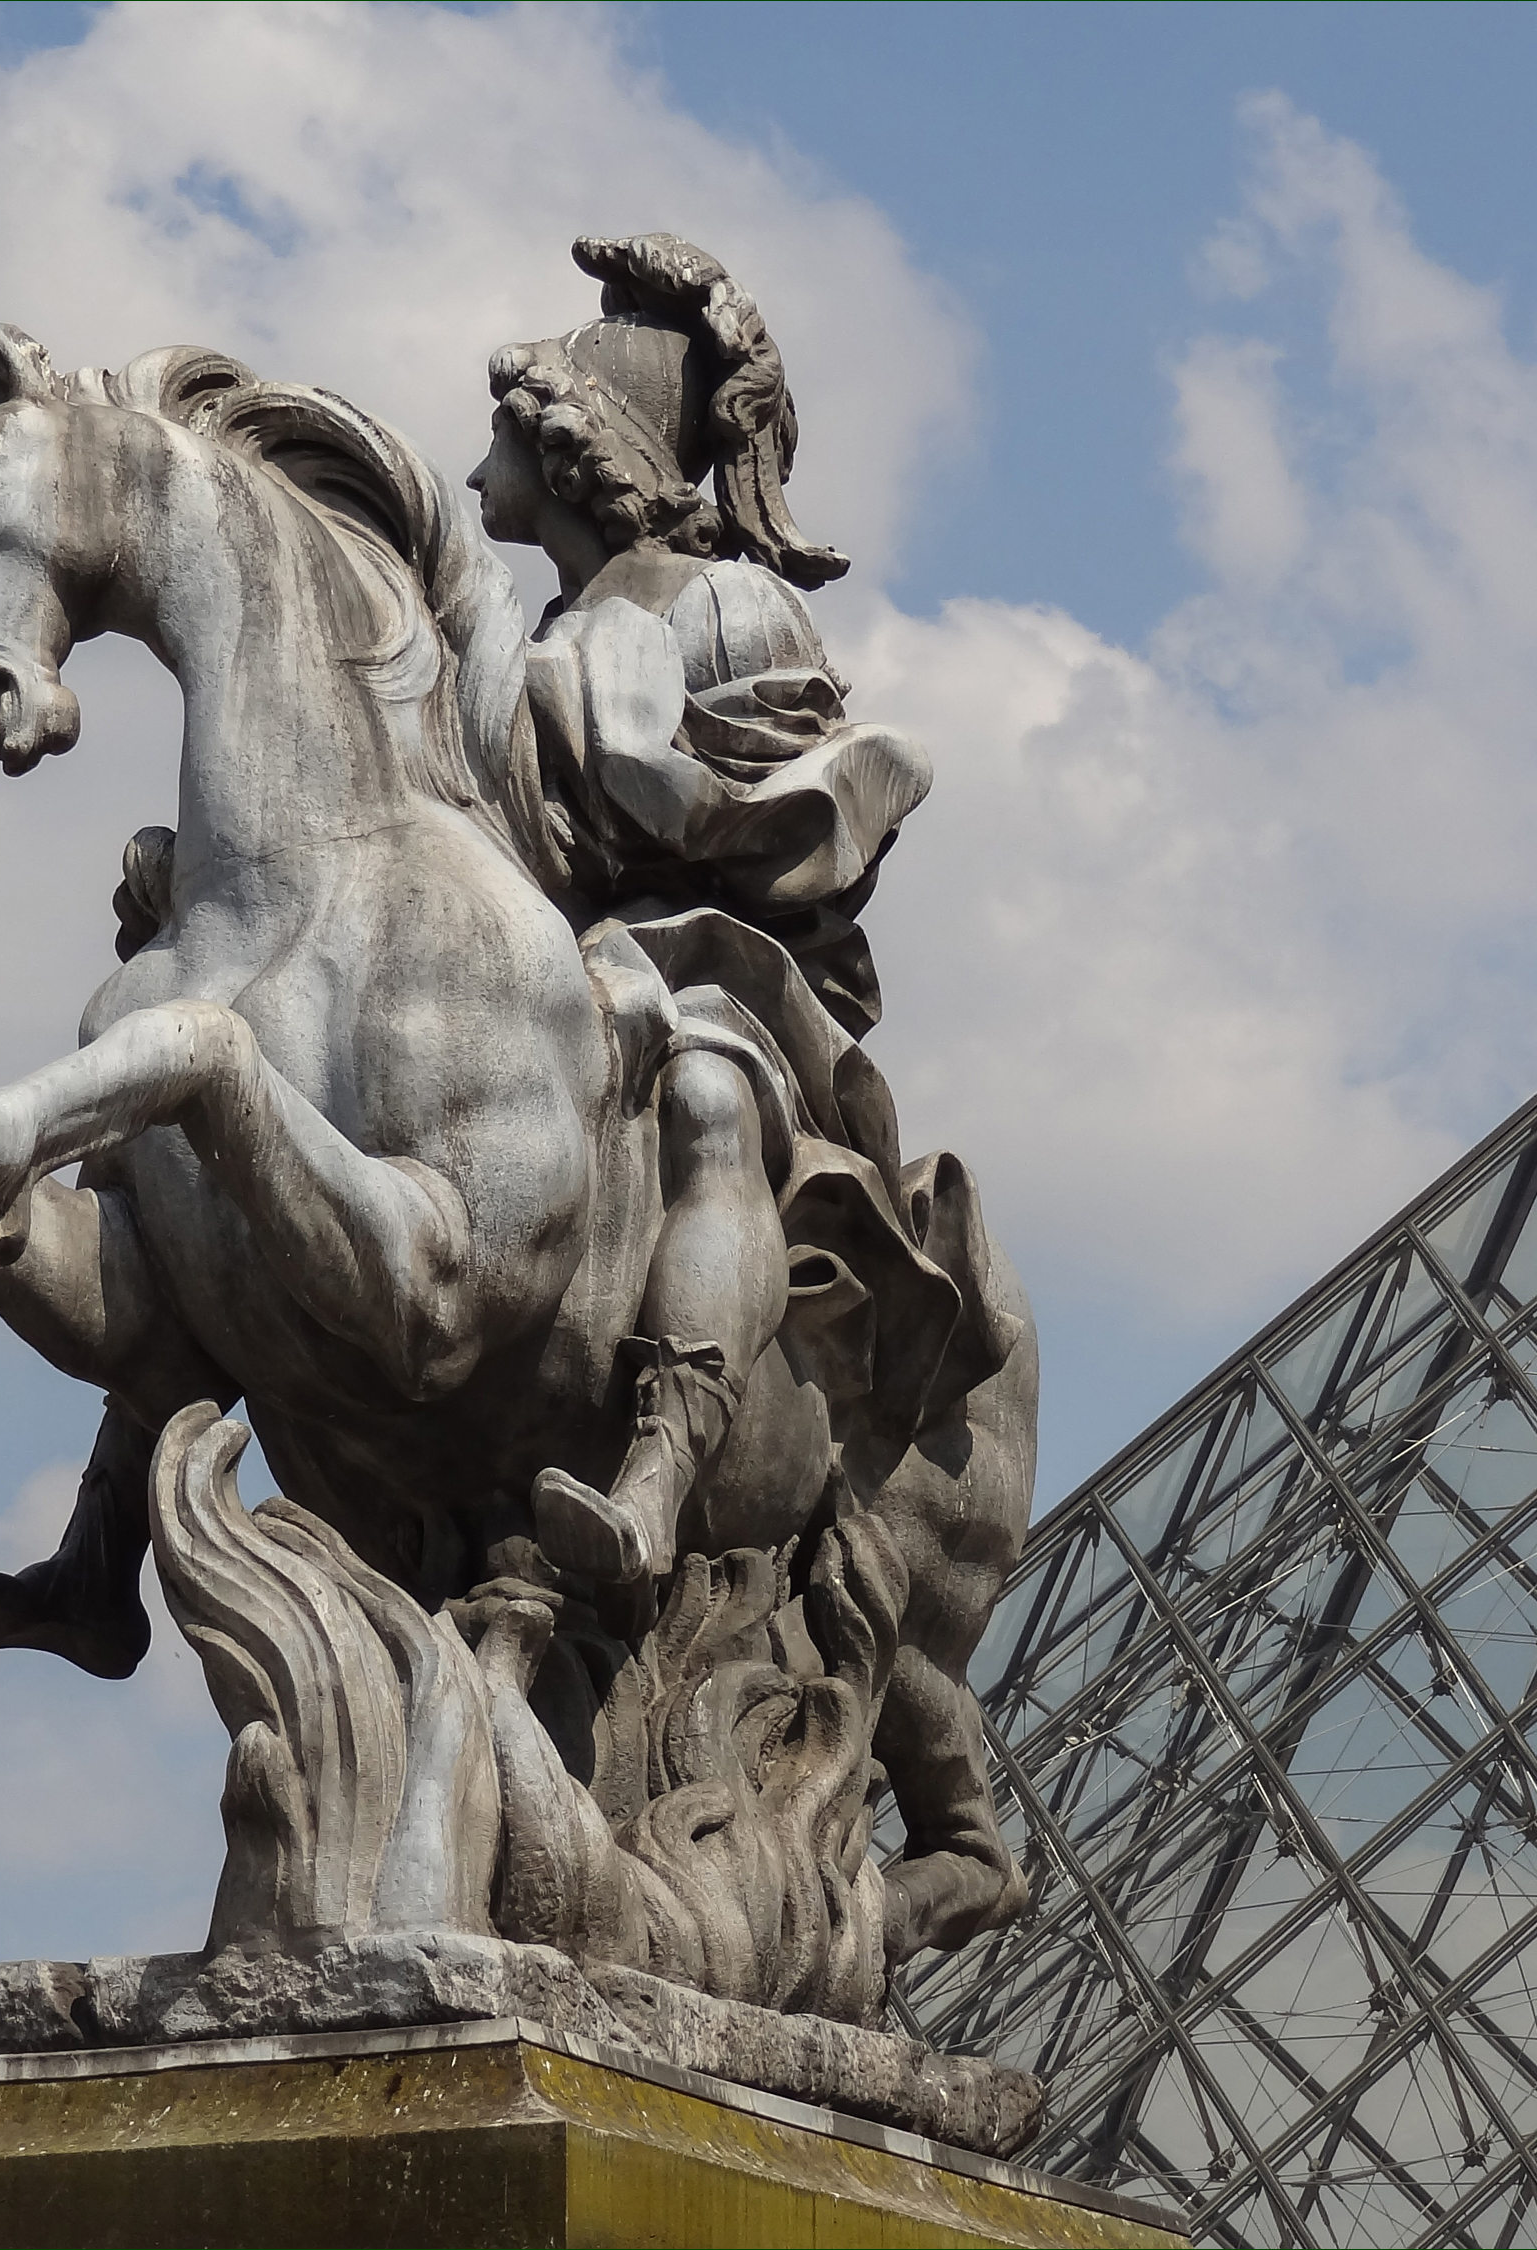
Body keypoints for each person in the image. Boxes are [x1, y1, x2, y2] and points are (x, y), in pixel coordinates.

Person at [468, 234, 932, 1593]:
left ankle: (662, 1464)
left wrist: (670, 799)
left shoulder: (726, 605)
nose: (475, 466)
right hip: (533, 968)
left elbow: (792, 803)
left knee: (712, 1103)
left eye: (500, 429)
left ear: (572, 454)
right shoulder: (498, 643)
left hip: (713, 969)